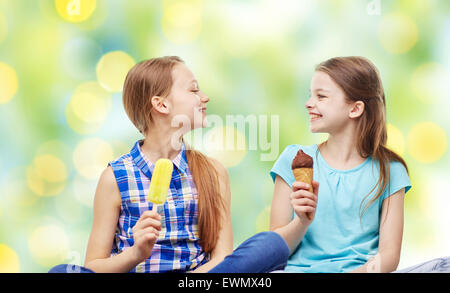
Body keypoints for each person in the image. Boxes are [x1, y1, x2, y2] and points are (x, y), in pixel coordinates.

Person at [49, 56, 289, 273]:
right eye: (194, 90)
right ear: (161, 104)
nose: (204, 97)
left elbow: (222, 258)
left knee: (272, 245)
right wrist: (136, 253)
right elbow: (94, 266)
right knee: (61, 272)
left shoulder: (214, 172)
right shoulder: (115, 178)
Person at [270, 56, 412, 273]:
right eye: (310, 95)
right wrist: (301, 221)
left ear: (355, 109)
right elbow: (273, 253)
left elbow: (389, 257)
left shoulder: (390, 171)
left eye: (321, 96)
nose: (309, 103)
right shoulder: (293, 160)